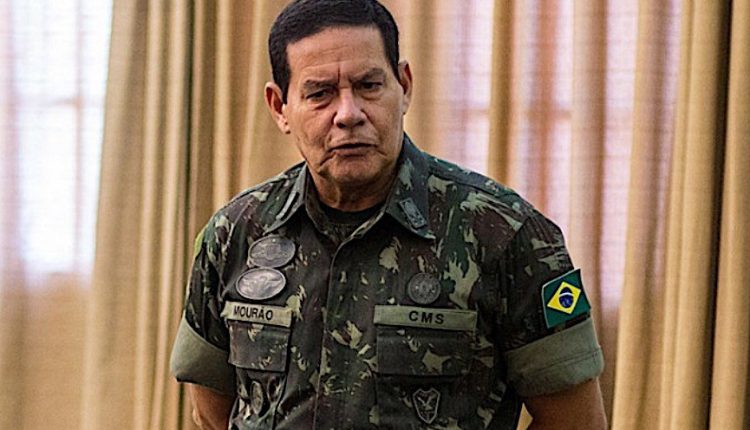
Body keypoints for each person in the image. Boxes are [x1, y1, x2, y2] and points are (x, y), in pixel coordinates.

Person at [170, 0, 607, 428]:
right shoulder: (236, 232)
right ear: (279, 107)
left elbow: (576, 421)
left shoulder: (506, 233)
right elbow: (211, 410)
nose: (348, 114)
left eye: (368, 85)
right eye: (320, 94)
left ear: (404, 86)